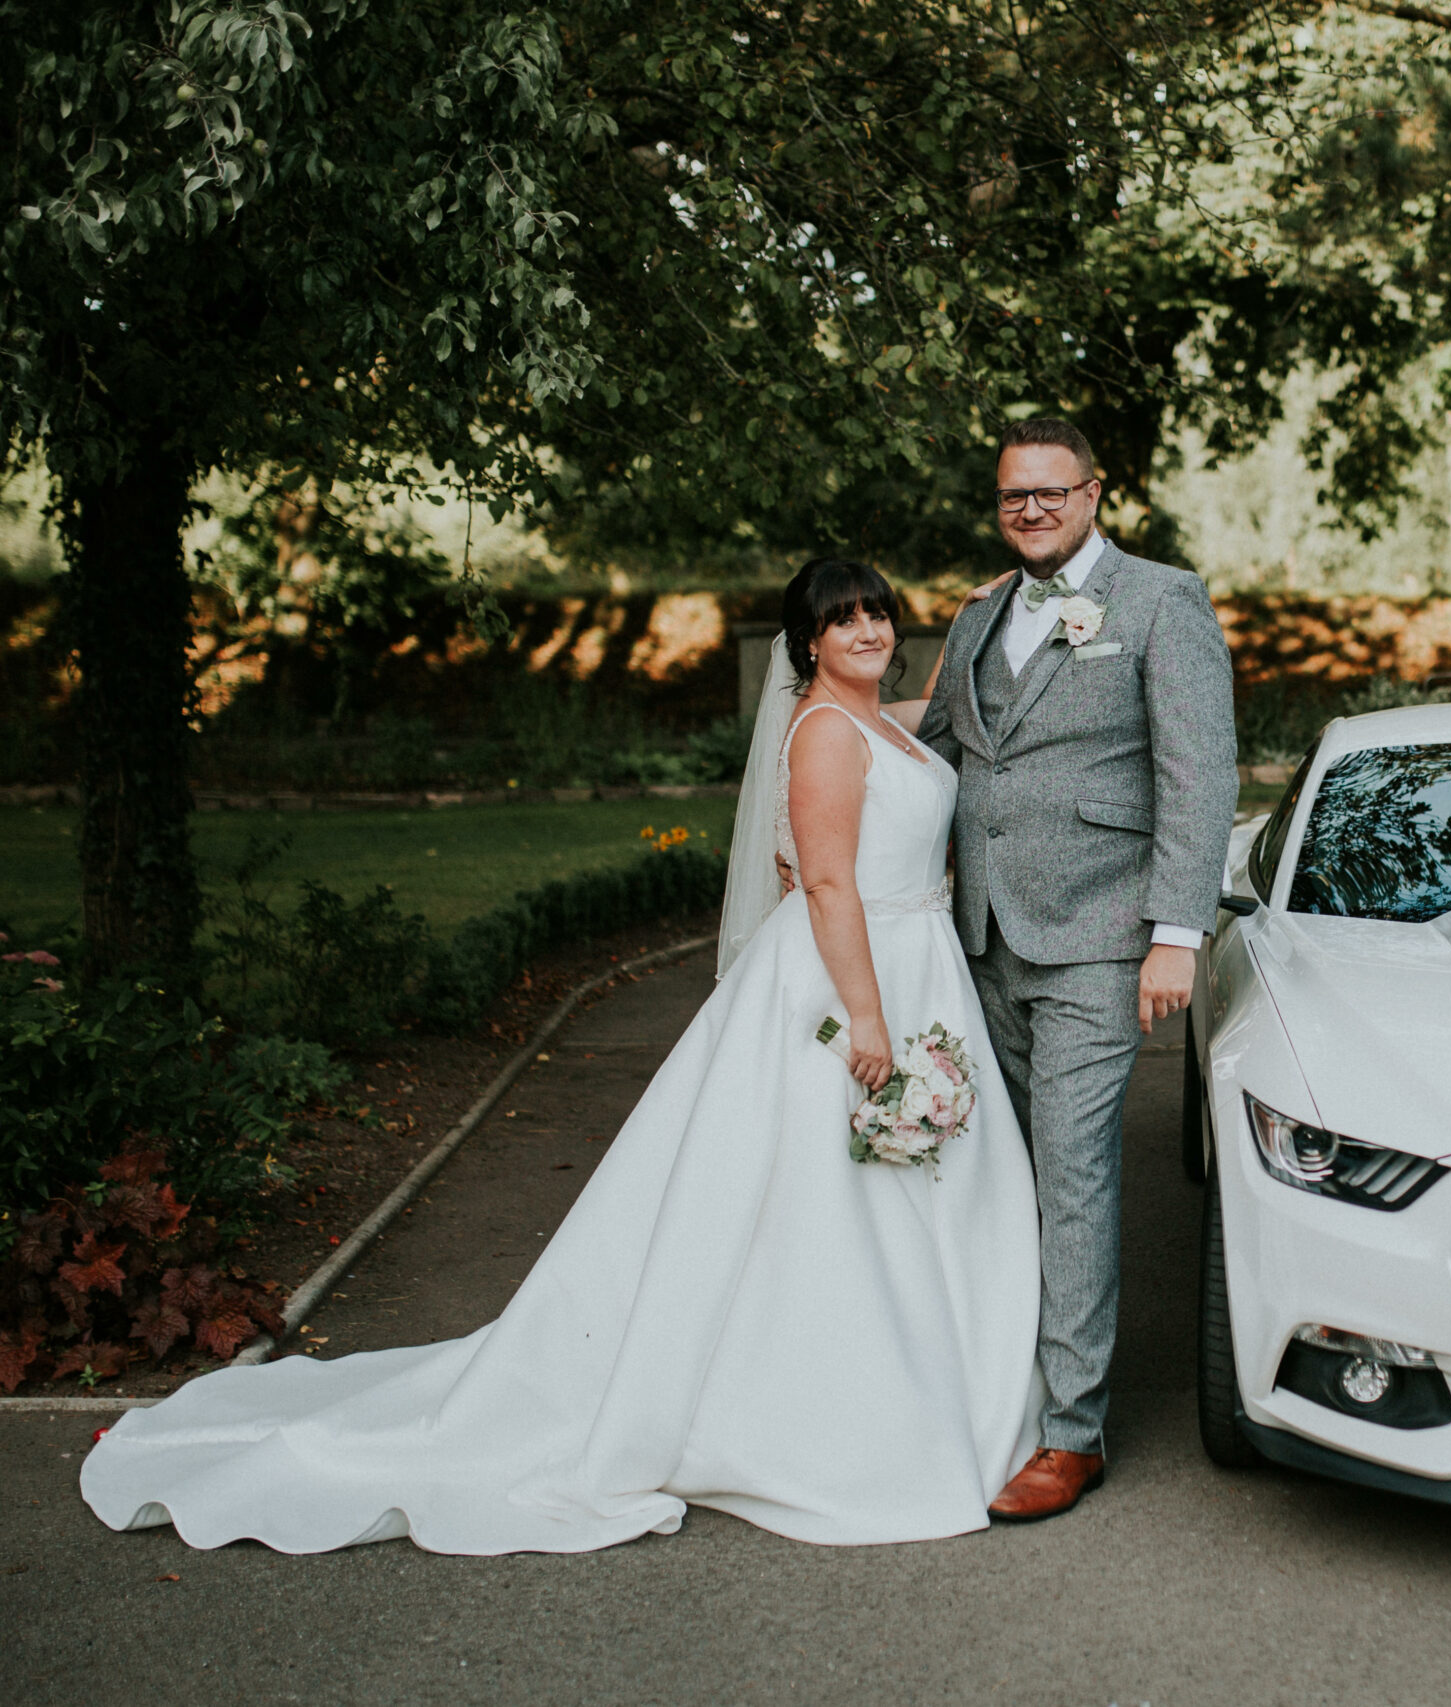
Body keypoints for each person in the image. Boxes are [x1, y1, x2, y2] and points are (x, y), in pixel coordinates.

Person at [80, 559, 1044, 1554]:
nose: (865, 632)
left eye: (877, 614)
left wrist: (985, 617)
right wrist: (869, 1022)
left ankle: (941, 1376)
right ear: (805, 645)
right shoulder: (828, 738)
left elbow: (946, 705)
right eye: (841, 621)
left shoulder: (886, 722)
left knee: (904, 1191)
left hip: (921, 968)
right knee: (821, 1199)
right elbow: (831, 887)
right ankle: (827, 1410)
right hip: (854, 985)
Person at [916, 417, 1238, 1521]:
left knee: (1074, 1171)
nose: (1033, 511)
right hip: (982, 938)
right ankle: (1007, 1382)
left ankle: (1071, 1432)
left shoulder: (1161, 601)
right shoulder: (977, 617)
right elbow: (944, 755)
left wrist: (1176, 934)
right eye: (1014, 496)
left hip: (1102, 939)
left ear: (1095, 493)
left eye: (1053, 493)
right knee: (1001, 1170)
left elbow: (1197, 774)